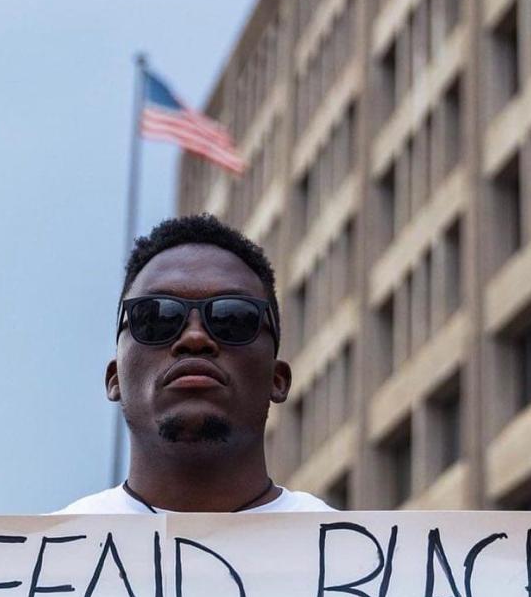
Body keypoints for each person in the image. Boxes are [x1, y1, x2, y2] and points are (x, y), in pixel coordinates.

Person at [58, 214, 332, 514]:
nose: (195, 338)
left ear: (277, 379)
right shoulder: (45, 555)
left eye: (232, 318)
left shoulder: (356, 552)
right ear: (115, 379)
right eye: (157, 317)